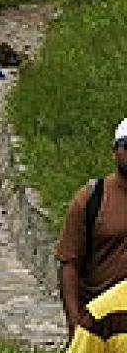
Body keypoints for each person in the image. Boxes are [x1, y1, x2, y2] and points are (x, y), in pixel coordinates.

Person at [57, 119, 127, 336]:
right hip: (99, 323)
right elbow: (69, 264)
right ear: (114, 152)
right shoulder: (91, 199)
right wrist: (75, 323)